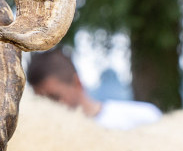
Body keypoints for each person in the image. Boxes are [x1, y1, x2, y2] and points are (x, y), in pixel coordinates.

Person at [27, 48, 163, 131]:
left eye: (54, 97)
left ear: (77, 83)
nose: (49, 107)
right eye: (42, 101)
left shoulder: (144, 118)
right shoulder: (51, 141)